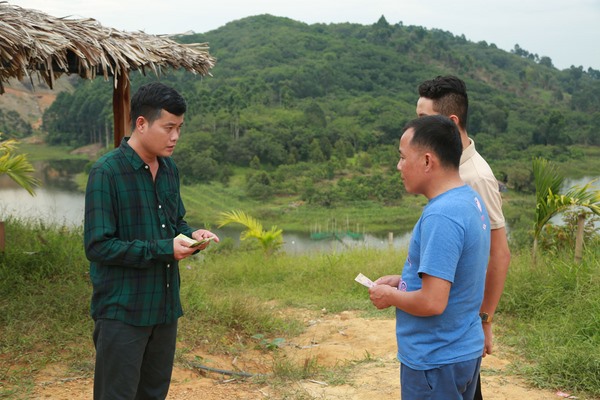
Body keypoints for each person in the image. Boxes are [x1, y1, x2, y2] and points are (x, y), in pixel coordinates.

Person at [84, 82, 219, 400]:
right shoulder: (107, 172)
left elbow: (175, 223)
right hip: (123, 312)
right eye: (168, 127)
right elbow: (98, 246)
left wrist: (191, 236)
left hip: (164, 308)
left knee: (154, 394)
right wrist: (164, 248)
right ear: (142, 123)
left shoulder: (169, 169)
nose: (175, 136)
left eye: (180, 128)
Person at [369, 115, 491, 399]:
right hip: (462, 351)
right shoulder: (469, 199)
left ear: (427, 161)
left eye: (403, 157)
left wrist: (390, 296)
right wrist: (403, 281)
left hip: (436, 360)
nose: (399, 166)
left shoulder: (441, 215)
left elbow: (433, 302)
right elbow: (457, 275)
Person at [416, 75, 511, 399]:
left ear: (452, 122)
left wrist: (484, 321)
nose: (417, 128)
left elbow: (499, 254)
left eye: (424, 119)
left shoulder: (477, 177)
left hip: (459, 328)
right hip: (445, 324)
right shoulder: (444, 165)